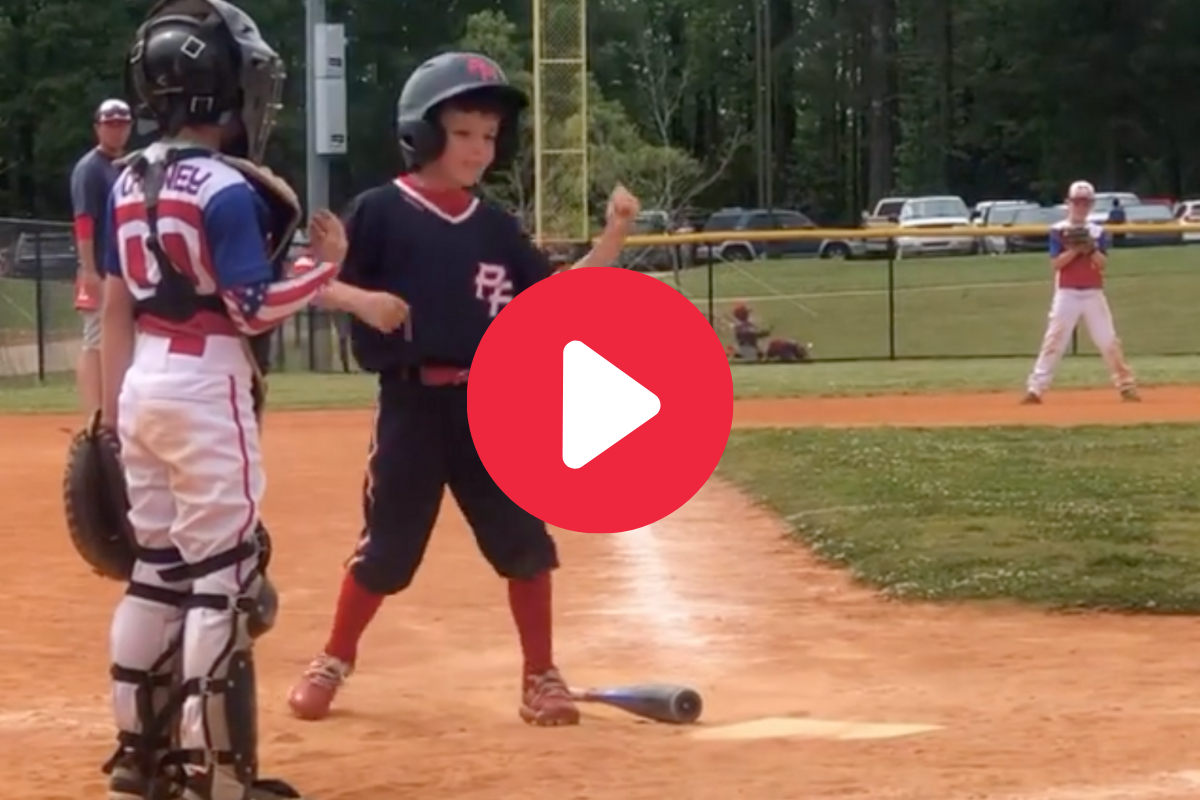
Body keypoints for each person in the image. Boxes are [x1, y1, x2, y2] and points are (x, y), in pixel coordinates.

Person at [97, 1, 406, 798]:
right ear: (220, 89)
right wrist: (321, 263)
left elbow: (117, 299)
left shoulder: (125, 177)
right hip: (206, 384)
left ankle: (139, 753)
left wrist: (109, 412)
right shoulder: (227, 188)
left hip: (145, 382)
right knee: (223, 576)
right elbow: (251, 306)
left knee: (156, 569)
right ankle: (220, 776)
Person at [285, 51, 640, 726]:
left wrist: (613, 238)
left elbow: (553, 300)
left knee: (523, 541)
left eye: (490, 134)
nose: (482, 147)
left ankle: (540, 675)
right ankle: (334, 657)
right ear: (422, 134)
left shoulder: (494, 226)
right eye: (465, 131)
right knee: (387, 552)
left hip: (489, 405)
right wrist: (363, 301)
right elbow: (311, 281)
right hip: (411, 406)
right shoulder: (381, 211)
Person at [1022, 180, 1138, 404]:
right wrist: (1075, 249)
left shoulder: (1097, 231)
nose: (1081, 207)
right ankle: (1035, 389)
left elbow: (1102, 263)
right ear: (1068, 203)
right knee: (1054, 340)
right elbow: (1056, 264)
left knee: (1109, 341)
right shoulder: (1058, 230)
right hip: (1067, 292)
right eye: (1077, 202)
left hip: (1093, 293)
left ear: (1091, 205)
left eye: (1085, 203)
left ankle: (1126, 386)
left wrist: (1091, 248)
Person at [70, 98, 132, 416]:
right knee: (95, 337)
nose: (116, 130)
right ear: (97, 128)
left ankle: (114, 407)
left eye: (122, 124)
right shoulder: (90, 168)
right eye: (110, 124)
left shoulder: (125, 167)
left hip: (120, 270)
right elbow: (84, 221)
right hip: (99, 267)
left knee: (115, 337)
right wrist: (89, 270)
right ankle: (95, 411)